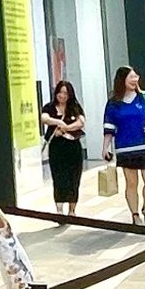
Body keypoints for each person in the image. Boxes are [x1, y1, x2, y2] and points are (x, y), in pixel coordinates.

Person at [102, 65, 145, 225]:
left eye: (136, 76)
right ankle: (135, 215)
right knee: (131, 183)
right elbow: (109, 128)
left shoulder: (144, 97)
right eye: (131, 77)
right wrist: (105, 147)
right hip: (125, 148)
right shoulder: (113, 103)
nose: (135, 80)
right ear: (122, 80)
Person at [40, 81, 86, 216]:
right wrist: (58, 122)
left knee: (74, 178)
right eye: (60, 92)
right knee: (58, 177)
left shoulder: (75, 107)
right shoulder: (49, 107)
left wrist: (66, 128)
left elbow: (81, 122)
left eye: (66, 93)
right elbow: (44, 118)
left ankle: (72, 211)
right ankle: (59, 211)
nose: (62, 95)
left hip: (73, 147)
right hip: (57, 148)